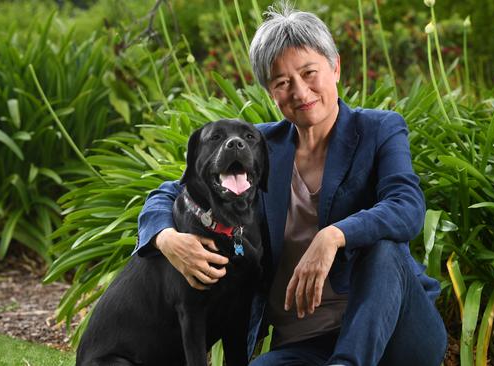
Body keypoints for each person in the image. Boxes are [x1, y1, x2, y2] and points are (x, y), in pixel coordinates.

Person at [134, 3, 447, 365]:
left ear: (336, 67)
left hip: (397, 333)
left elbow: (407, 207)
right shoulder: (261, 147)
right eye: (282, 83)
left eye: (309, 72)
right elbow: (172, 191)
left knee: (383, 248)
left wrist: (333, 236)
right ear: (271, 93)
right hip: (306, 343)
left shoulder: (379, 129)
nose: (300, 91)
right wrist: (167, 239)